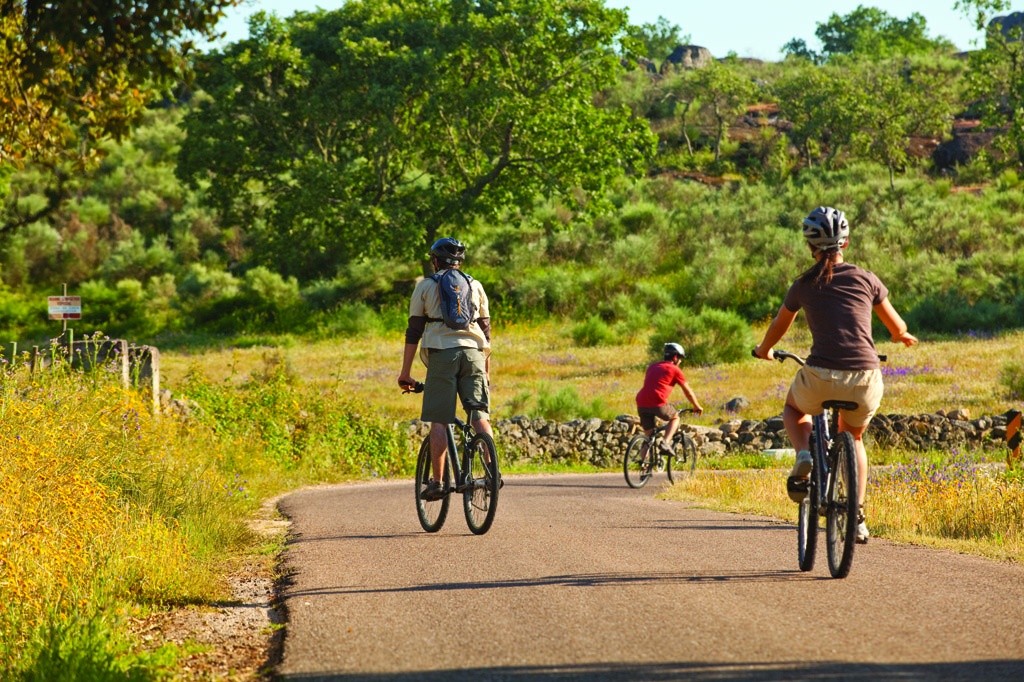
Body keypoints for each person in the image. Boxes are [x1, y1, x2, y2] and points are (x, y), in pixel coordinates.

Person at [753, 206, 918, 543]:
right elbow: (897, 326)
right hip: (865, 379)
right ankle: (856, 516)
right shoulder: (867, 278)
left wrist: (765, 350)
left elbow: (779, 326)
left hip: (820, 375)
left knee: (794, 409)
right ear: (847, 242)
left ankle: (803, 454)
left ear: (810, 247)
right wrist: (901, 336)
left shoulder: (803, 284)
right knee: (854, 437)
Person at [398, 237, 492, 501]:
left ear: (435, 261)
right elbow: (486, 333)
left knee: (440, 419)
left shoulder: (426, 286)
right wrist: (486, 373)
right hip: (474, 354)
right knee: (479, 415)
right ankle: (491, 471)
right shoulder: (475, 286)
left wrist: (405, 373)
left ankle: (438, 482)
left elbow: (414, 330)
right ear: (460, 262)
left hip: (442, 355)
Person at [635, 342, 704, 458]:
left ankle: (644, 466)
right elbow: (688, 391)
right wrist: (697, 406)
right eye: (680, 358)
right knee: (675, 417)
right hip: (657, 401)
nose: (681, 362)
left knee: (648, 437)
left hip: (641, 402)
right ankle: (665, 443)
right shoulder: (674, 370)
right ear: (675, 357)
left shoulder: (652, 367)